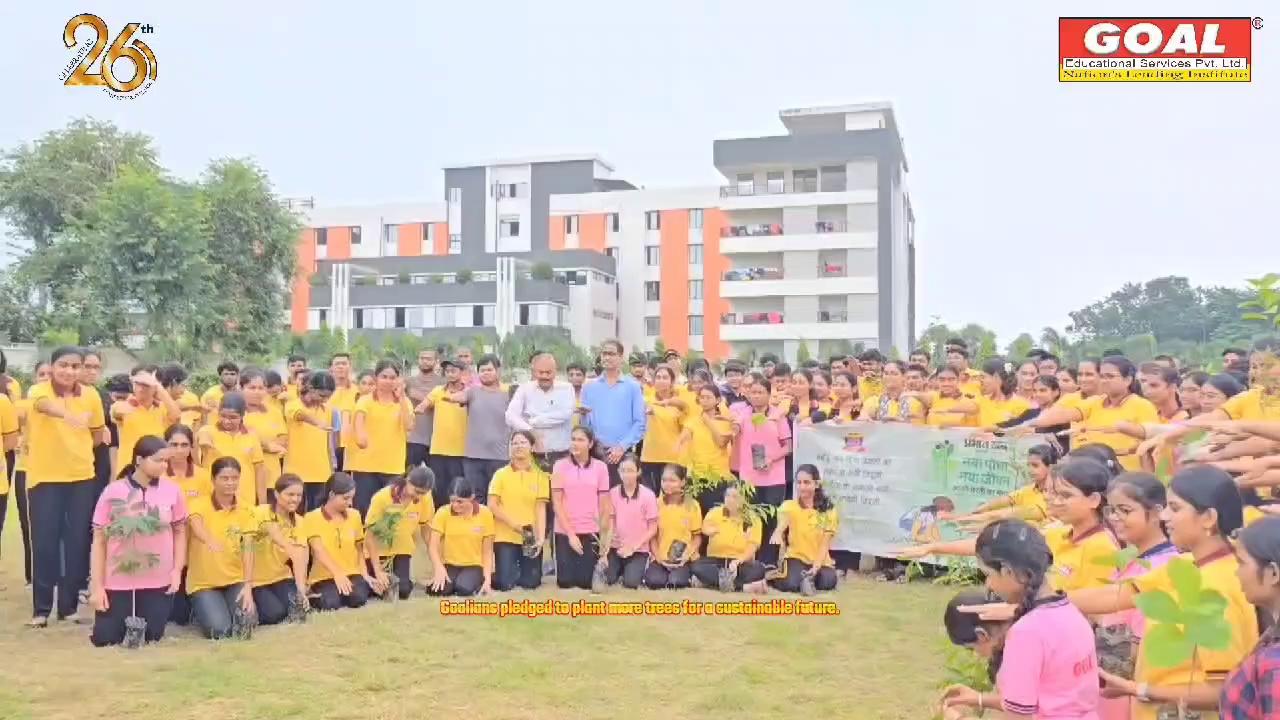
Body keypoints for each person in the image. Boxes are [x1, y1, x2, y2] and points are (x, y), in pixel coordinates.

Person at [1063, 467, 1257, 719]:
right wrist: (1038, 603)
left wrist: (1138, 689)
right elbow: (1116, 597)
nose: (1164, 516)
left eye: (1175, 508)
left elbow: (1222, 690)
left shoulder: (1216, 587)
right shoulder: (1186, 566)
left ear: (1208, 518)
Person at [940, 519, 1101, 720]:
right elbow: (1054, 697)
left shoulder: (1027, 632)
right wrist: (980, 698)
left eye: (988, 574)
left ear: (1008, 571)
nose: (988, 585)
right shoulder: (1071, 613)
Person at [26, 346, 108, 626]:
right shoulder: (39, 391)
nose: (69, 371)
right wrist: (66, 415)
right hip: (45, 478)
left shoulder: (91, 395)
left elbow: (98, 433)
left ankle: (69, 607)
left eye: (75, 366)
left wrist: (79, 447)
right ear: (53, 366)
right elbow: (41, 406)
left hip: (81, 477)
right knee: (45, 542)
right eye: (64, 365)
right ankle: (41, 609)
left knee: (76, 542)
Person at [88, 436, 187, 647]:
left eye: (165, 461)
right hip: (119, 579)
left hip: (158, 580)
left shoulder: (172, 491)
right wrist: (97, 587)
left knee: (151, 637)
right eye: (158, 460)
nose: (163, 466)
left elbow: (180, 531)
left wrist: (176, 570)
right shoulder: (113, 492)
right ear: (139, 460)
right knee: (106, 639)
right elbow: (99, 541)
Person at [1095, 473, 1176, 720]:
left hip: (1134, 684)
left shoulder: (1165, 565)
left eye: (1125, 510)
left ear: (1157, 512)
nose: (1115, 518)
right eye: (1111, 510)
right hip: (1113, 680)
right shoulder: (1128, 558)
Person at [1019, 356, 1158, 471]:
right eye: (1103, 376)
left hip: (1126, 478)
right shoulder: (1095, 402)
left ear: (1128, 380)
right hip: (1092, 474)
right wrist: (1027, 424)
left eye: (1110, 376)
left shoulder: (1142, 406)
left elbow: (1150, 448)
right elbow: (1065, 414)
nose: (1105, 380)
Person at [185, 457, 257, 639]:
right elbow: (195, 523)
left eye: (234, 478)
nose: (230, 483)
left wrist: (248, 585)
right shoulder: (198, 504)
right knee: (220, 631)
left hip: (235, 580)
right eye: (224, 478)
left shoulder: (246, 508)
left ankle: (225, 606)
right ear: (213, 480)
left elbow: (248, 548)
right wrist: (208, 539)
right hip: (204, 583)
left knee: (248, 624)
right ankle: (199, 609)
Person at [1219, 516, 1280, 719]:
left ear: (1273, 573)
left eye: (1241, 563)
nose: (1237, 573)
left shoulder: (1275, 664)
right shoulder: (1271, 635)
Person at [730, 377, 791, 564]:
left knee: (771, 519)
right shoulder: (742, 413)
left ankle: (769, 562)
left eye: (760, 392)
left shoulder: (777, 416)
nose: (756, 396)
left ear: (768, 394)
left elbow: (787, 446)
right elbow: (734, 427)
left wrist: (772, 459)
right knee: (750, 519)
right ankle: (748, 560)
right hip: (749, 476)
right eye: (753, 392)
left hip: (774, 477)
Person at [757, 464, 839, 594]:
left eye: (806, 483)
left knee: (828, 581)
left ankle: (808, 579)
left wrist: (816, 567)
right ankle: (772, 578)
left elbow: (825, 544)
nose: (802, 487)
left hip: (820, 561)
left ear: (816, 484)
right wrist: (778, 532)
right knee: (790, 583)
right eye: (799, 483)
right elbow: (783, 522)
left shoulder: (829, 510)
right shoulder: (790, 506)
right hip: (796, 558)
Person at [346, 359, 413, 517]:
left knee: (390, 510)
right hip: (365, 465)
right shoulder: (365, 401)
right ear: (376, 378)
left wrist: (402, 398)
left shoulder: (404, 402)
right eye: (384, 377)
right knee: (365, 508)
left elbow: (408, 425)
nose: (388, 381)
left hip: (393, 466)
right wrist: (361, 437)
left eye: (392, 377)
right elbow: (359, 419)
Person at [303, 472, 375, 610]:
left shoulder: (354, 515)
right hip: (323, 576)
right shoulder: (312, 517)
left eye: (351, 498)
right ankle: (312, 595)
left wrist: (364, 574)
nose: (350, 503)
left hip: (351, 572)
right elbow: (318, 550)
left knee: (358, 598)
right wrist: (337, 573)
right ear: (331, 495)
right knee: (330, 604)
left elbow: (359, 549)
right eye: (346, 498)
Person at [941, 445, 1058, 530]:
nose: (1030, 470)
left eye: (1035, 466)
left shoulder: (1055, 497)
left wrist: (961, 518)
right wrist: (975, 512)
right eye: (1028, 465)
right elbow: (1004, 501)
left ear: (1050, 467)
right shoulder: (1030, 489)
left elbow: (1005, 515)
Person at [488, 431, 550, 591]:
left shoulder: (540, 476)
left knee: (531, 583)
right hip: (505, 535)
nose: (518, 446)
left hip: (529, 536)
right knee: (505, 584)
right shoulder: (500, 474)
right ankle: (493, 571)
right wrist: (515, 526)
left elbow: (540, 507)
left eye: (523, 442)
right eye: (514, 443)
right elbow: (493, 505)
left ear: (531, 447)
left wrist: (541, 539)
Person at [580, 338, 647, 486]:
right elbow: (585, 424)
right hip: (595, 452)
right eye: (604, 354)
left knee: (621, 499)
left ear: (621, 358)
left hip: (622, 453)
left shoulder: (633, 387)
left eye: (611, 353)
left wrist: (622, 447)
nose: (606, 357)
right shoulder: (589, 386)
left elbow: (640, 422)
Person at [551, 427, 610, 589]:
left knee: (585, 583)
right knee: (565, 583)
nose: (575, 443)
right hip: (565, 531)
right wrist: (570, 534)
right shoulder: (559, 466)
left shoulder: (600, 468)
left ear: (590, 444)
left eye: (580, 440)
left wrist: (603, 541)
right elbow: (557, 503)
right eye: (573, 439)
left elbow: (604, 506)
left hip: (591, 531)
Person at [365, 466, 436, 600]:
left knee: (403, 590)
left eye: (423, 493)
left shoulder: (425, 499)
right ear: (407, 481)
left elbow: (427, 531)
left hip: (402, 550)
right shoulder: (382, 497)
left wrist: (437, 565)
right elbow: (369, 538)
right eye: (417, 491)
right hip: (377, 552)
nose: (419, 497)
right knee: (375, 588)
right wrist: (378, 570)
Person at [250, 474, 309, 625]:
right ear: (276, 494)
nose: (295, 499)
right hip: (256, 580)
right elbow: (272, 531)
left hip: (281, 577)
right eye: (290, 494)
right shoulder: (261, 512)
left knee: (296, 609)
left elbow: (299, 558)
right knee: (273, 615)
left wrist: (301, 591)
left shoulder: (300, 522)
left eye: (298, 495)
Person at [505, 351, 576, 469]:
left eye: (548, 372)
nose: (545, 376)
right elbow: (510, 416)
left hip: (561, 455)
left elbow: (565, 415)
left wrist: (533, 420)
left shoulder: (566, 389)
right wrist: (530, 430)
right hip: (531, 455)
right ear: (534, 371)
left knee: (557, 487)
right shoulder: (525, 389)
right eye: (541, 372)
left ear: (555, 371)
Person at [692, 482, 768, 591]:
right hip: (716, 561)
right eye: (727, 496)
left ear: (745, 499)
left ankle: (708, 582)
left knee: (758, 569)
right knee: (697, 566)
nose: (730, 500)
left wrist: (738, 561)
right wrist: (711, 531)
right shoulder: (715, 512)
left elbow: (752, 547)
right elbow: (705, 528)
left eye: (735, 497)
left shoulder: (753, 519)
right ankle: (743, 587)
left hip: (739, 562)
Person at [197, 392, 267, 507]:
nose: (227, 421)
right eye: (223, 416)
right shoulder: (208, 431)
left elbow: (259, 470)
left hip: (245, 499)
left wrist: (263, 503)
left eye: (233, 417)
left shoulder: (251, 436)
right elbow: (201, 438)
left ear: (242, 415)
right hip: (215, 500)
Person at [455, 354, 511, 500]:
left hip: (500, 456)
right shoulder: (473, 392)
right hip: (473, 456)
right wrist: (453, 396)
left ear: (498, 371)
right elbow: (460, 397)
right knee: (475, 497)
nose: (485, 373)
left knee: (498, 496)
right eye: (482, 370)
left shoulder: (508, 394)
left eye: (489, 370)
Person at [427, 478, 495, 596]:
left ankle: (479, 581)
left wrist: (487, 580)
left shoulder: (485, 514)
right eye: (452, 501)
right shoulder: (443, 513)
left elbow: (487, 551)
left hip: (474, 564)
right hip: (450, 564)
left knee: (464, 589)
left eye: (460, 501)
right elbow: (433, 546)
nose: (455, 505)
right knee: (438, 590)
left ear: (472, 497)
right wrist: (439, 568)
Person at [110, 365, 180, 479]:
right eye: (137, 383)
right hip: (129, 471)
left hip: (157, 470)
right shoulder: (122, 405)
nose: (140, 388)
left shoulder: (162, 408)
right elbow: (116, 413)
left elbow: (176, 416)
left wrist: (158, 388)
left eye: (146, 384)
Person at [601, 455, 658, 589]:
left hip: (638, 549)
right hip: (617, 548)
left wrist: (632, 547)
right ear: (619, 472)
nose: (626, 475)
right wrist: (604, 552)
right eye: (623, 471)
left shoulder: (648, 495)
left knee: (631, 583)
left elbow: (652, 528)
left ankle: (635, 569)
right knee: (607, 578)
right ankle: (618, 571)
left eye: (631, 471)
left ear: (638, 472)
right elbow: (610, 523)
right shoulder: (613, 493)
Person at [677, 383, 735, 513]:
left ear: (718, 400)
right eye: (702, 397)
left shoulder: (725, 421)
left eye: (708, 397)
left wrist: (708, 422)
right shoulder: (692, 420)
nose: (704, 401)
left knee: (714, 514)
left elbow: (721, 442)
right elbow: (683, 438)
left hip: (718, 476)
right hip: (697, 476)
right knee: (695, 513)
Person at [283, 370, 336, 511]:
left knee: (317, 515)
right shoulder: (292, 405)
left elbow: (328, 442)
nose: (324, 400)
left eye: (328, 397)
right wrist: (317, 422)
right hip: (296, 471)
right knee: (295, 514)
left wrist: (332, 466)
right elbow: (299, 415)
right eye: (322, 395)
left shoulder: (327, 409)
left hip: (321, 472)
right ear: (311, 389)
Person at [644, 463, 700, 589]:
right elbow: (653, 535)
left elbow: (697, 536)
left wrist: (687, 555)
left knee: (676, 583)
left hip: (682, 560)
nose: (667, 484)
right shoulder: (656, 503)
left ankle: (688, 577)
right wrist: (658, 557)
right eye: (664, 480)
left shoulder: (692, 505)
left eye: (672, 480)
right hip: (660, 558)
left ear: (683, 482)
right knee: (654, 582)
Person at [424, 358, 469, 511]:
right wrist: (419, 408)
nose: (450, 374)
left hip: (460, 450)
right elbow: (426, 403)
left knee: (457, 488)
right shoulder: (437, 391)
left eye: (453, 371)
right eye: (448, 371)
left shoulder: (469, 393)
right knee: (438, 490)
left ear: (462, 373)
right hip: (438, 449)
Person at [640, 366, 688, 493]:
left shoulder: (679, 403)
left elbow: (686, 428)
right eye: (658, 377)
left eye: (665, 377)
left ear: (672, 381)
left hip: (673, 458)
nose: (661, 380)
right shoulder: (646, 399)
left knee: (671, 497)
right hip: (650, 457)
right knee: (651, 496)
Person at [241, 369, 288, 494]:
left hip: (272, 478)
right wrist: (268, 446)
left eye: (261, 388)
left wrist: (263, 446)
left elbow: (283, 441)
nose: (257, 392)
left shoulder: (274, 412)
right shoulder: (236, 414)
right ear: (241, 388)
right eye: (252, 388)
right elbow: (240, 441)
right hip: (244, 478)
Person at [406, 348, 443, 469]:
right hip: (413, 439)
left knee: (435, 481)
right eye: (422, 358)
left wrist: (422, 397)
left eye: (428, 359)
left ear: (436, 361)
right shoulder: (408, 382)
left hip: (435, 441)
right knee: (408, 476)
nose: (425, 361)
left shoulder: (443, 383)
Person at [859, 360, 925, 424]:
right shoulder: (875, 400)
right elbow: (863, 417)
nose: (888, 377)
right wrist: (865, 419)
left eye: (893, 373)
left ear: (904, 377)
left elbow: (917, 428)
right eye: (886, 373)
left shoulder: (913, 401)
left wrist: (897, 423)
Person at [327, 353, 358, 471]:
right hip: (329, 444)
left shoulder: (357, 390)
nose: (341, 367)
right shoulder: (325, 390)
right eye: (337, 364)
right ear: (331, 368)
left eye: (344, 364)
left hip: (351, 445)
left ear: (350, 366)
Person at [165, 423, 210, 502]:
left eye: (184, 445)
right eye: (174, 445)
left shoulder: (204, 476)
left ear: (191, 446)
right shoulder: (155, 476)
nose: (179, 450)